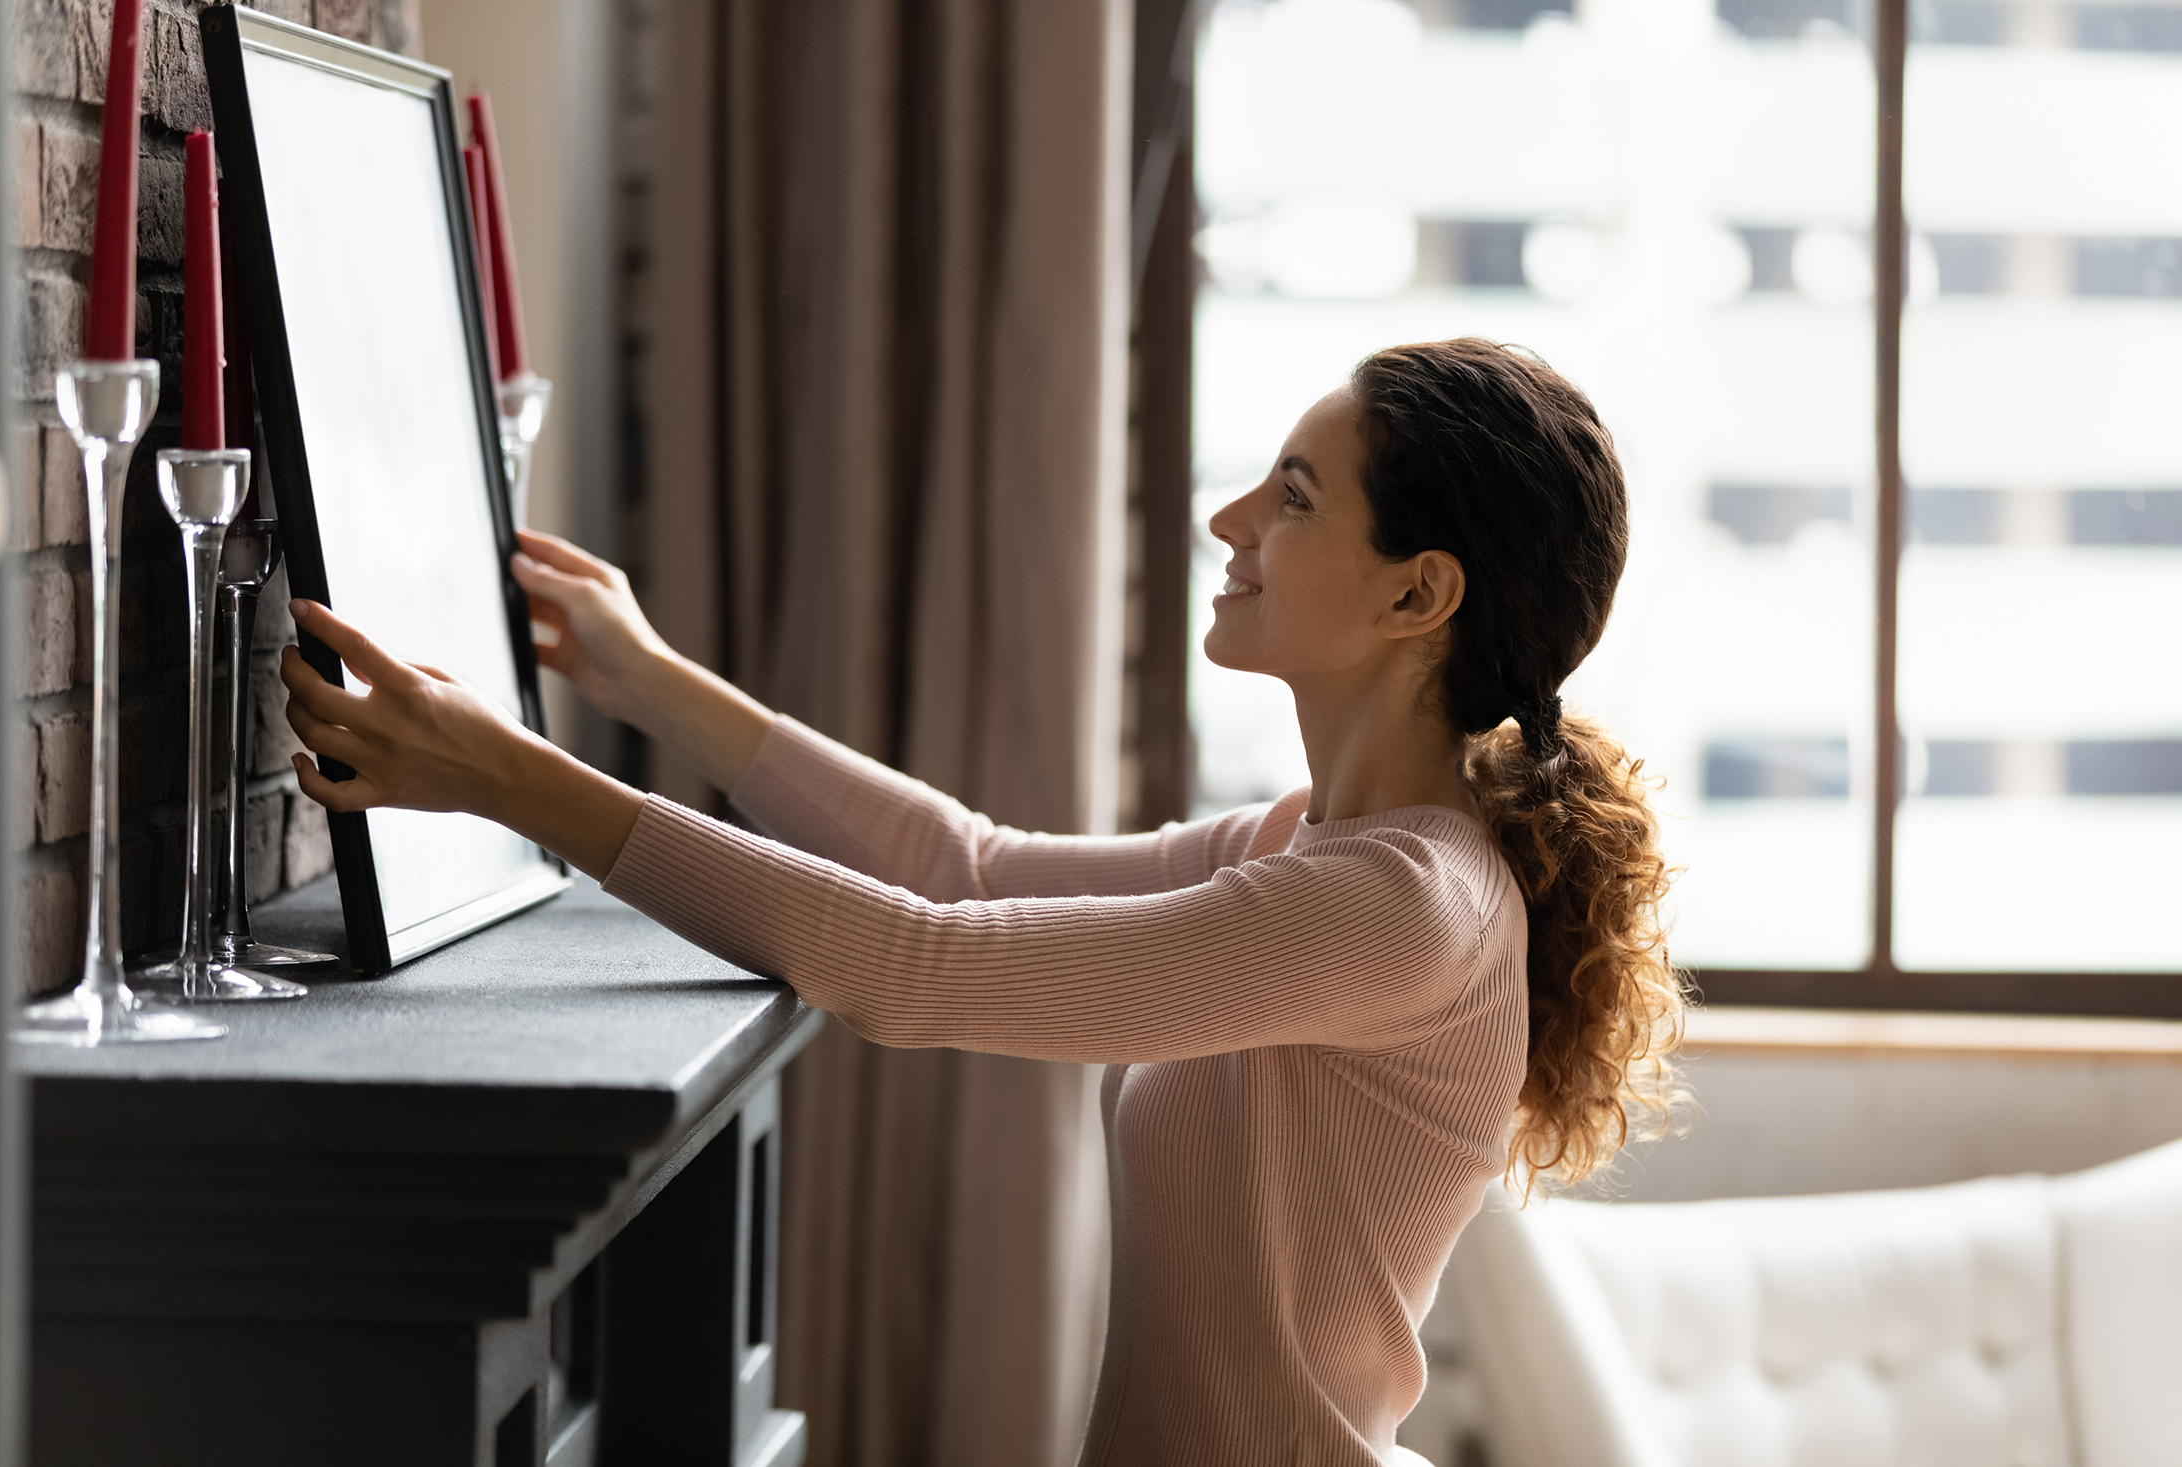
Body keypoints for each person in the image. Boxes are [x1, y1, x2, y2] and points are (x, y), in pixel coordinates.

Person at [282, 337, 1681, 1465]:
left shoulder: (1402, 905)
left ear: (1416, 597)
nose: (1230, 520)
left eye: (1297, 498)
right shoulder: (1312, 846)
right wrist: (646, 679)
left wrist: (513, 780)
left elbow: (914, 968)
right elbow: (972, 868)